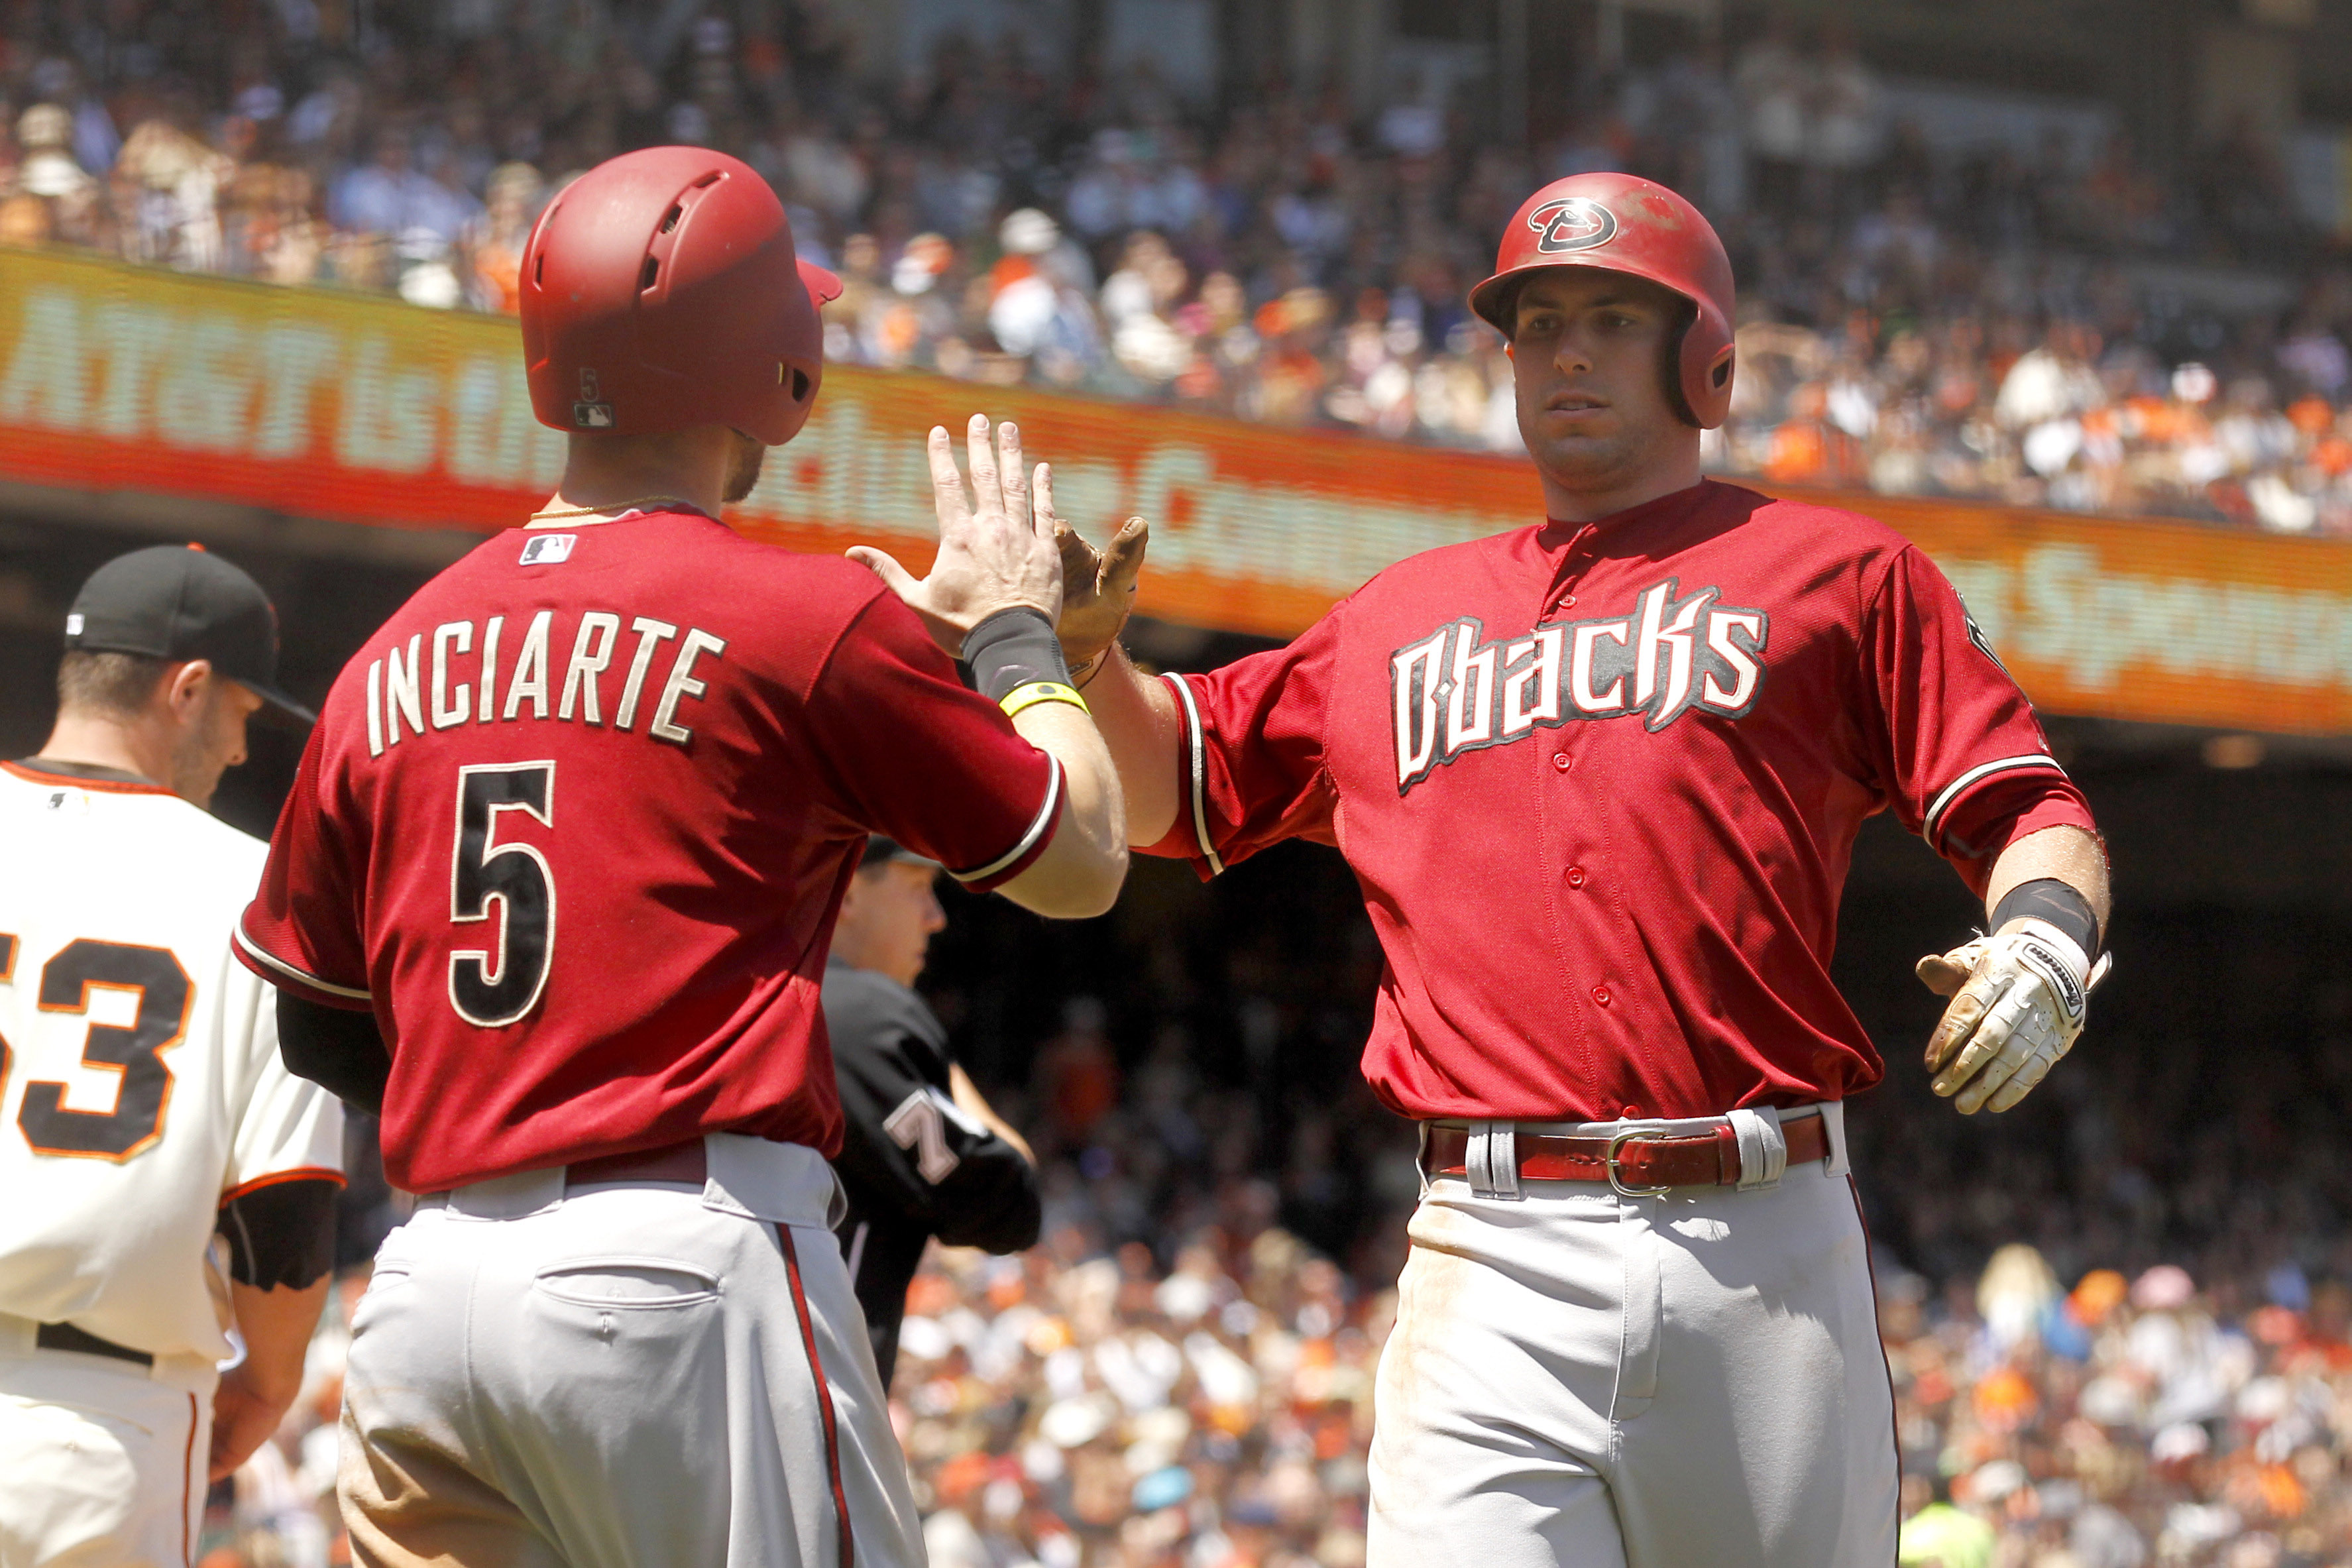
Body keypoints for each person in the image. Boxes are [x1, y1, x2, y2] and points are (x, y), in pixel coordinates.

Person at [988, 172, 2115, 1567]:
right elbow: (1178, 785)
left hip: (1757, 1247)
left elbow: (2025, 805)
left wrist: (2045, 945)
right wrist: (1089, 658)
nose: (1565, 351)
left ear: (1699, 354)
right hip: (1489, 1253)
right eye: (1535, 324)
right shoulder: (1395, 619)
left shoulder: (1840, 573)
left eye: (1605, 317)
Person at [234, 145, 1127, 1567]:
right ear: (771, 362)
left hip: (424, 1290)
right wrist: (1018, 637)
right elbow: (1080, 856)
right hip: (676, 1267)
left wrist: (511, 1109)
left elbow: (320, 1025)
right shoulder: (805, 615)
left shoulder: (390, 652)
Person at [0, 545, 344, 1565]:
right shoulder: (257, 895)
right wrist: (267, 1383)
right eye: (242, 712)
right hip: (95, 1424)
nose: (242, 750)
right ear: (187, 688)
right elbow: (285, 1214)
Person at [824, 836, 1041, 1385]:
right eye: (917, 887)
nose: (936, 917)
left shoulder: (747, 991)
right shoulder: (861, 1015)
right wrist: (939, 1069)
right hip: (809, 1385)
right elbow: (1010, 1204)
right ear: (846, 891)